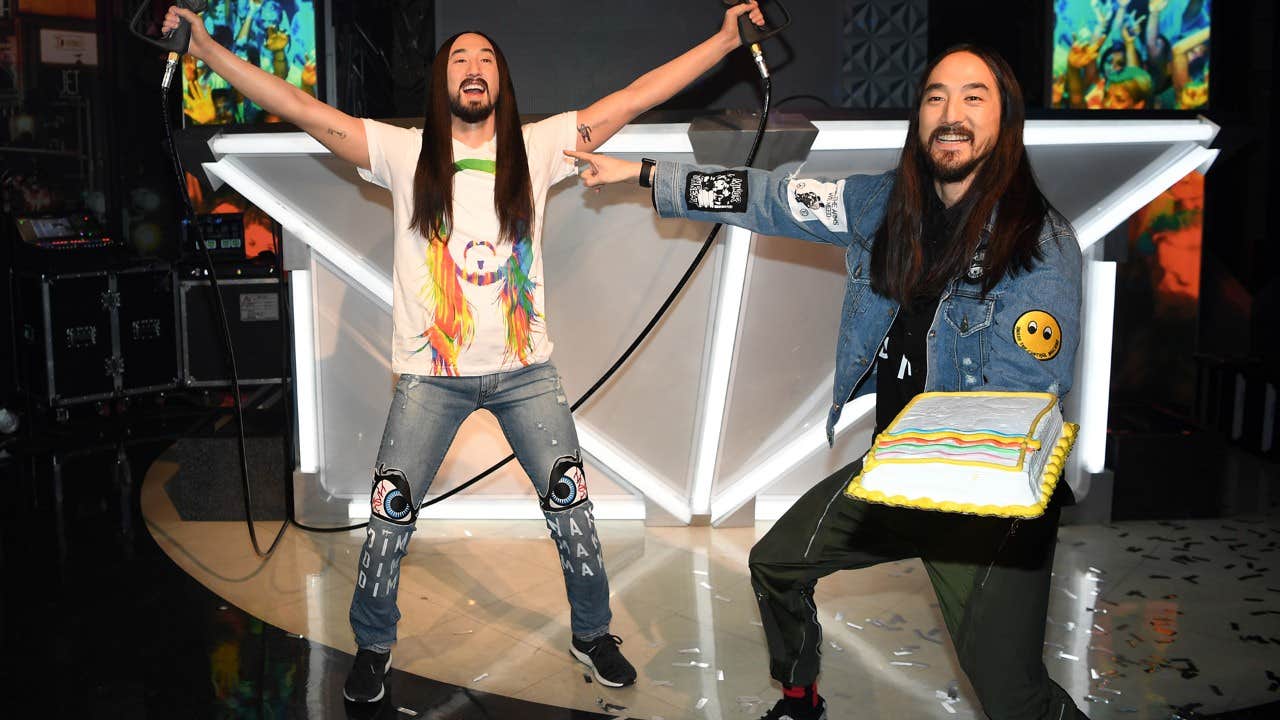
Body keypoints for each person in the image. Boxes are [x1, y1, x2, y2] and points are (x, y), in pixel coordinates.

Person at [161, 0, 766, 705]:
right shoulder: (400, 151)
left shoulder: (539, 147)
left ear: (501, 83)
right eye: (459, 59)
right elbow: (297, 103)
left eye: (485, 60)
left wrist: (725, 41)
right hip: (430, 380)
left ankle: (593, 632)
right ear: (440, 82)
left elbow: (637, 95)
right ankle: (374, 645)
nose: (473, 68)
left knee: (572, 511)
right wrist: (205, 49)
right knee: (390, 516)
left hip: (525, 376)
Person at [568, 45, 1086, 720]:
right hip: (896, 472)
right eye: (935, 97)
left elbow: (1018, 405)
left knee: (1013, 698)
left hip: (981, 503)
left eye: (972, 97)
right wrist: (642, 174)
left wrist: (946, 483)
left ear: (1005, 121)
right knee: (777, 563)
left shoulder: (1038, 245)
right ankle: (800, 697)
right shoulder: (881, 206)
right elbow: (770, 199)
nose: (950, 114)